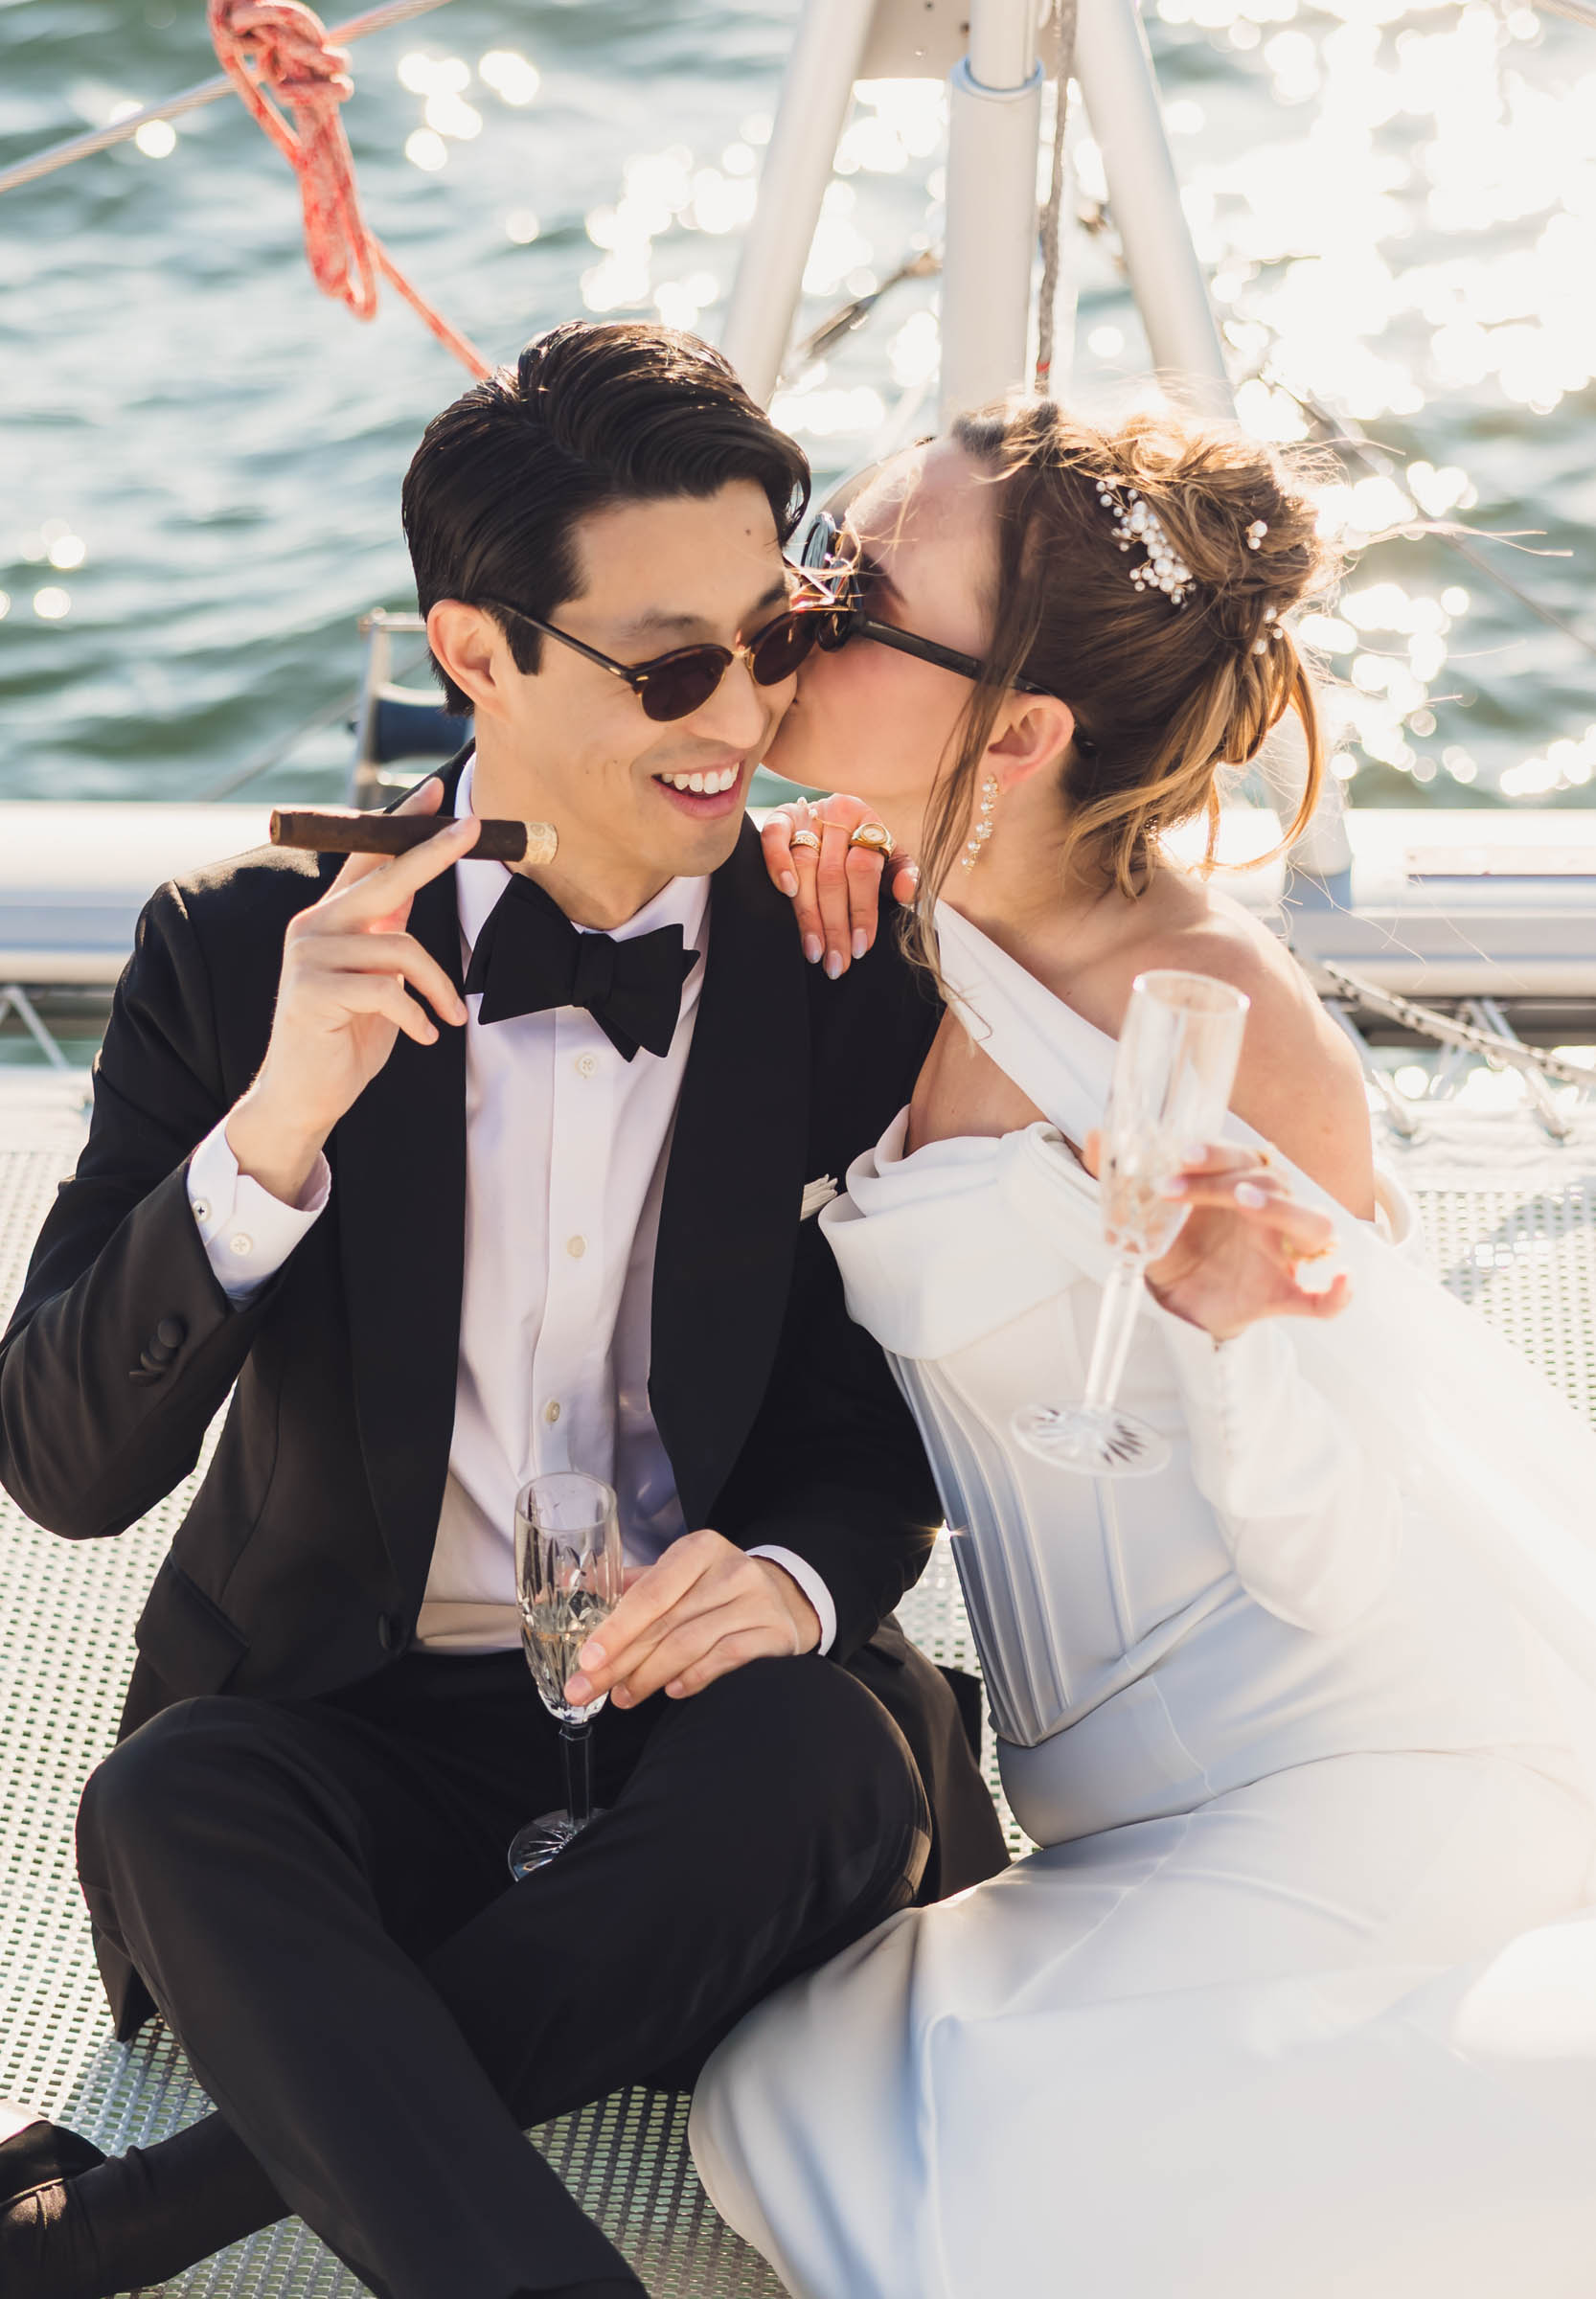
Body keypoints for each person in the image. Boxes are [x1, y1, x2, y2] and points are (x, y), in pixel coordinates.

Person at [0, 320, 1008, 2299]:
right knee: (175, 1796)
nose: (740, 712)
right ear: (476, 656)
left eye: (775, 633)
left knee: (830, 1761)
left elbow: (879, 1409)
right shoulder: (238, 960)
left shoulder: (835, 954)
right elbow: (59, 1460)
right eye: (670, 664)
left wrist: (797, 1579)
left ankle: (136, 2218)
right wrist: (275, 1133)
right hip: (348, 1724)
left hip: (698, 1738)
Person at [689, 402, 1596, 2297]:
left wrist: (1248, 1342)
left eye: (850, 589)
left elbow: (1340, 1554)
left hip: (1350, 1756)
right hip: (1105, 1807)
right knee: (774, 2093)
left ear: (1009, 740)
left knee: (968, 2159)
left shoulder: (1210, 1015)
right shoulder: (902, 914)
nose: (792, 604)